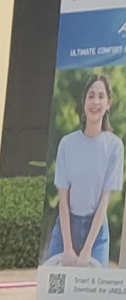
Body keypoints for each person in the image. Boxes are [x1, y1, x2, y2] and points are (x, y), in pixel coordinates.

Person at [47, 74, 123, 268]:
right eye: (91, 96)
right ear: (83, 102)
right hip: (66, 228)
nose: (95, 101)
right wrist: (68, 248)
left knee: (90, 295)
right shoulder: (67, 144)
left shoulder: (114, 147)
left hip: (96, 233)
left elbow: (104, 201)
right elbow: (63, 198)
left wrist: (87, 249)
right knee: (55, 292)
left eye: (100, 96)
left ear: (108, 104)